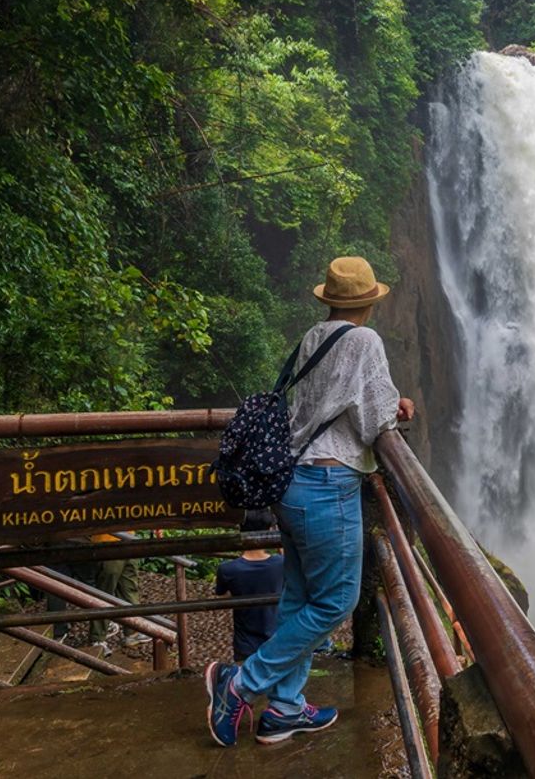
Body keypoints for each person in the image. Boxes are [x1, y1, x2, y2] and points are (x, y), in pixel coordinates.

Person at [206, 256, 415, 747]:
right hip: (328, 486)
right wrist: (403, 407)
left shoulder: (312, 338)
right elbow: (373, 422)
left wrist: (387, 401)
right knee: (337, 601)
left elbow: (335, 401)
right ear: (368, 301)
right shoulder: (365, 340)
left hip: (292, 483)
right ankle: (239, 684)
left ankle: (284, 709)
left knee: (300, 597)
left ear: (329, 299)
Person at [215, 510, 284, 662]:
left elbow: (222, 596)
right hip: (278, 641)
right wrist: (280, 544)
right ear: (269, 532)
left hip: (245, 645)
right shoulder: (281, 564)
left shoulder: (228, 569)